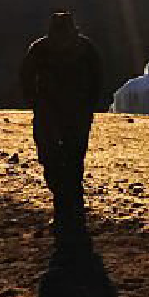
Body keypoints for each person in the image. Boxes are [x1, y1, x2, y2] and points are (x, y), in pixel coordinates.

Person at [20, 12, 103, 229]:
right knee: (74, 162)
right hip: (77, 115)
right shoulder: (85, 48)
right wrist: (89, 106)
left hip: (48, 116)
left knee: (51, 162)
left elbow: (25, 78)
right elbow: (98, 78)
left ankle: (63, 207)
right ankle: (73, 208)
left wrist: (36, 103)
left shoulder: (39, 48)